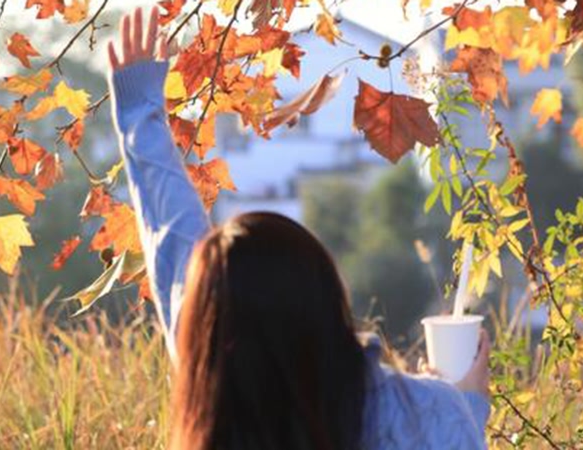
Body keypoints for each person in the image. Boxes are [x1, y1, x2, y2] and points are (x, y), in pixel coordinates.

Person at [107, 7, 491, 450]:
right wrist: (462, 409)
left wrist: (138, 112)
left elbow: (174, 238)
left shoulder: (215, 393)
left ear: (205, 325)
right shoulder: (418, 412)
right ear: (328, 298)